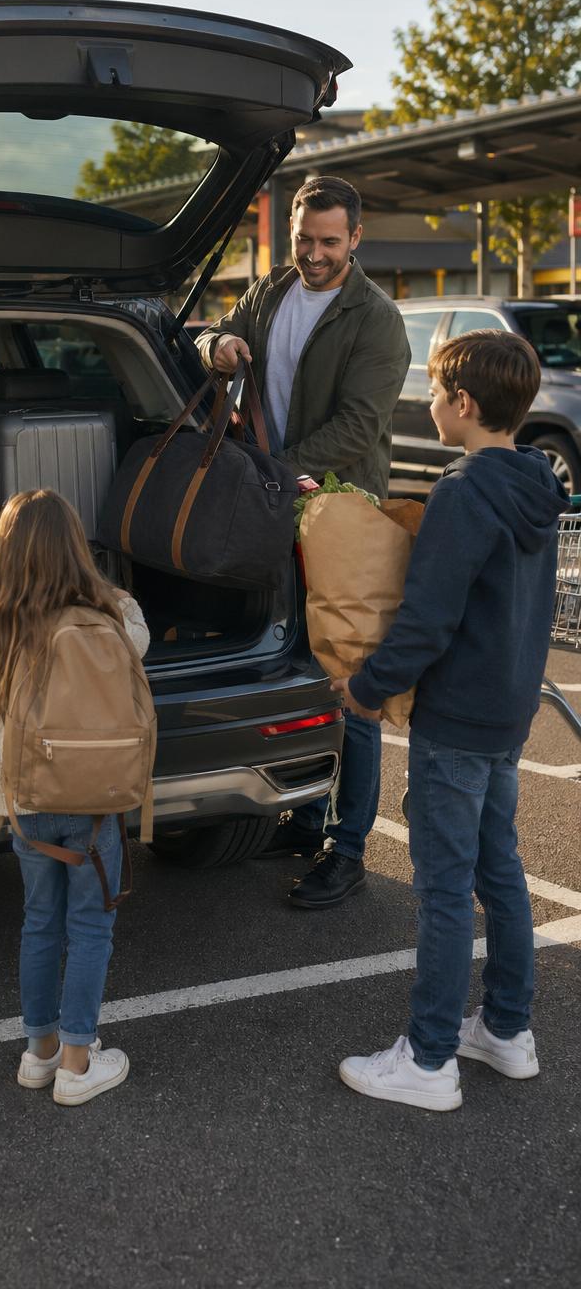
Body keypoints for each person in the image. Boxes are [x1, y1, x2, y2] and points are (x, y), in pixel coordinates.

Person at [333, 330, 569, 1110]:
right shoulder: (538, 482)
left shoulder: (464, 494)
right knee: (499, 873)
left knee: (441, 891)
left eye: (434, 393)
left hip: (458, 718)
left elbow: (427, 620)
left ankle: (429, 1060)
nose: (428, 404)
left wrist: (368, 686)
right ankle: (506, 1030)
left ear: (463, 405)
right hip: (507, 711)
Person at [195, 175, 411, 907]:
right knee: (296, 665)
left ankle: (348, 848)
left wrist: (272, 474)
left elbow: (359, 426)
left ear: (355, 239)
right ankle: (307, 814)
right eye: (304, 240)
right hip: (275, 509)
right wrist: (216, 345)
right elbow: (208, 340)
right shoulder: (268, 293)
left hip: (339, 517)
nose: (314, 255)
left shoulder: (376, 320)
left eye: (329, 242)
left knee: (353, 686)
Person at [0, 489, 150, 1107]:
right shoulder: (114, 611)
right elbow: (139, 650)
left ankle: (39, 1055)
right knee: (91, 926)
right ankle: (78, 1061)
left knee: (40, 922)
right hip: (98, 797)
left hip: (27, 799)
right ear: (76, 545)